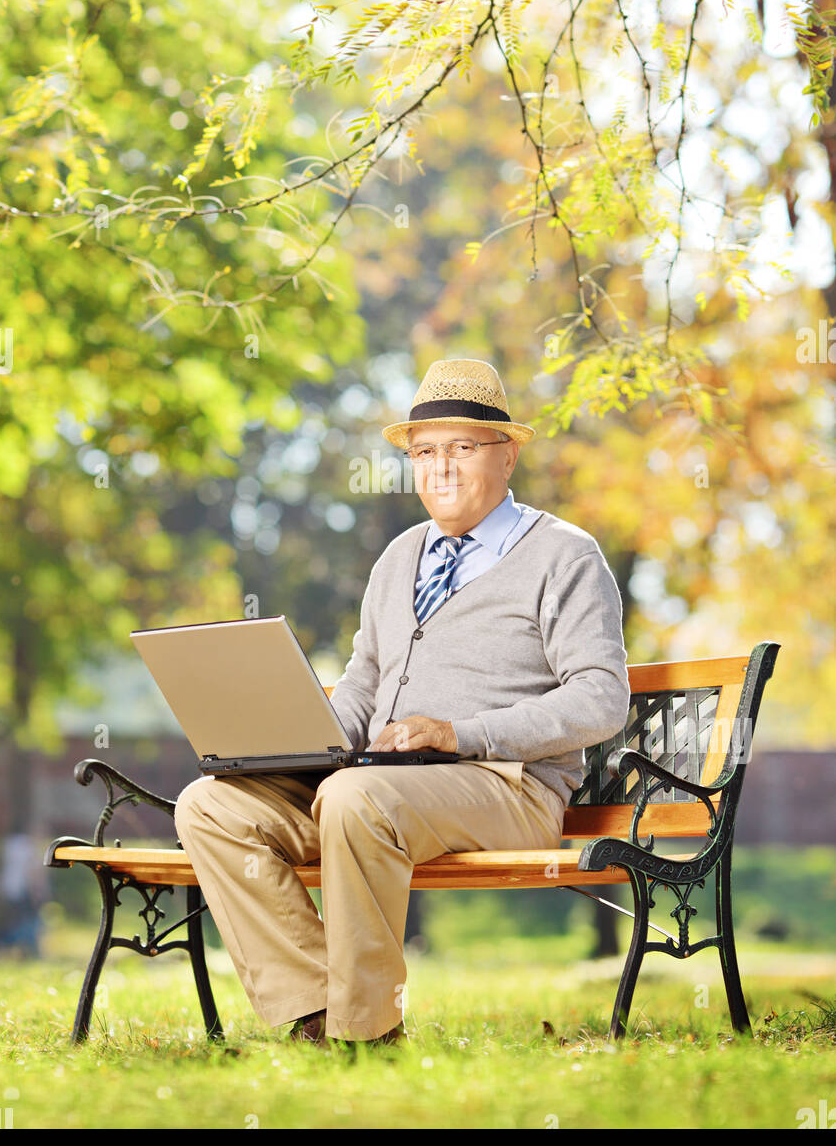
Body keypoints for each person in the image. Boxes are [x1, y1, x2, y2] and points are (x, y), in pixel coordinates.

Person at [174, 358, 631, 1050]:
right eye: (424, 452)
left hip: (507, 789)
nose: (439, 468)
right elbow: (362, 682)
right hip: (373, 787)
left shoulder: (564, 556)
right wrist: (298, 744)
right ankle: (315, 1011)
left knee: (359, 800)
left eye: (461, 448)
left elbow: (601, 699)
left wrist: (461, 733)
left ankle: (367, 1033)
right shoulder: (398, 558)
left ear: (506, 455)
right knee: (210, 805)